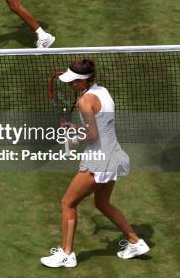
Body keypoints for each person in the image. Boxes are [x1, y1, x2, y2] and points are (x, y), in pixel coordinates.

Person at [40, 58, 150, 268]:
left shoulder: (84, 101)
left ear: (85, 81)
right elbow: (100, 125)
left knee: (67, 203)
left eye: (74, 82)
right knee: (102, 203)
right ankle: (135, 242)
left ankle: (66, 254)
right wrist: (73, 127)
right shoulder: (103, 92)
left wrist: (72, 137)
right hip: (113, 154)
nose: (70, 85)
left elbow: (91, 134)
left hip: (99, 159)